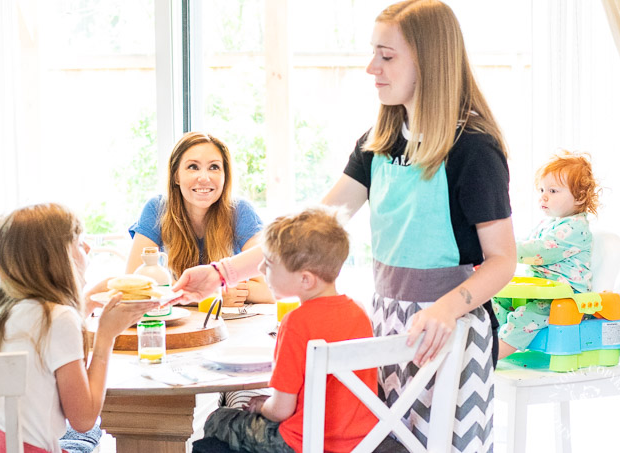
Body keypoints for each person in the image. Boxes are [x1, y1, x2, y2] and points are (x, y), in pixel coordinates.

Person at [174, 1, 516, 451]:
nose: (372, 67)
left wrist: (445, 308)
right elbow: (307, 231)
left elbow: (503, 261)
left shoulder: (474, 151)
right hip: (387, 327)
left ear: (430, 61)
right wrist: (224, 273)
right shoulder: (379, 144)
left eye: (387, 56)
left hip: (448, 335)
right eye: (374, 53)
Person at [0, 203, 159, 453]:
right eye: (78, 242)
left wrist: (82, 308)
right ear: (55, 258)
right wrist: (106, 338)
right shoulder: (59, 319)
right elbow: (84, 420)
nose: (88, 248)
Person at [192, 207, 378, 453]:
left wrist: (261, 406)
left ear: (306, 279)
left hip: (303, 442)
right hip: (361, 440)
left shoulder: (296, 322)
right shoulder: (359, 311)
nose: (260, 270)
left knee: (218, 418)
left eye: (269, 264)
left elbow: (280, 410)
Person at [126, 131, 274, 307]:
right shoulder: (157, 209)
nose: (204, 178)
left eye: (214, 167)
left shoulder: (240, 211)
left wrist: (173, 291)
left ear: (225, 176)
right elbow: (135, 285)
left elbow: (270, 288)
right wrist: (214, 294)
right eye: (193, 167)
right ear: (176, 176)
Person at [495, 150, 600, 359]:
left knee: (525, 317)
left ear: (579, 198)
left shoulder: (576, 229)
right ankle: (496, 339)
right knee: (497, 299)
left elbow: (541, 250)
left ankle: (491, 357)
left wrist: (502, 248)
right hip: (544, 291)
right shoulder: (548, 224)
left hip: (565, 296)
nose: (543, 195)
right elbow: (528, 244)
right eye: (542, 189)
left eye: (553, 191)